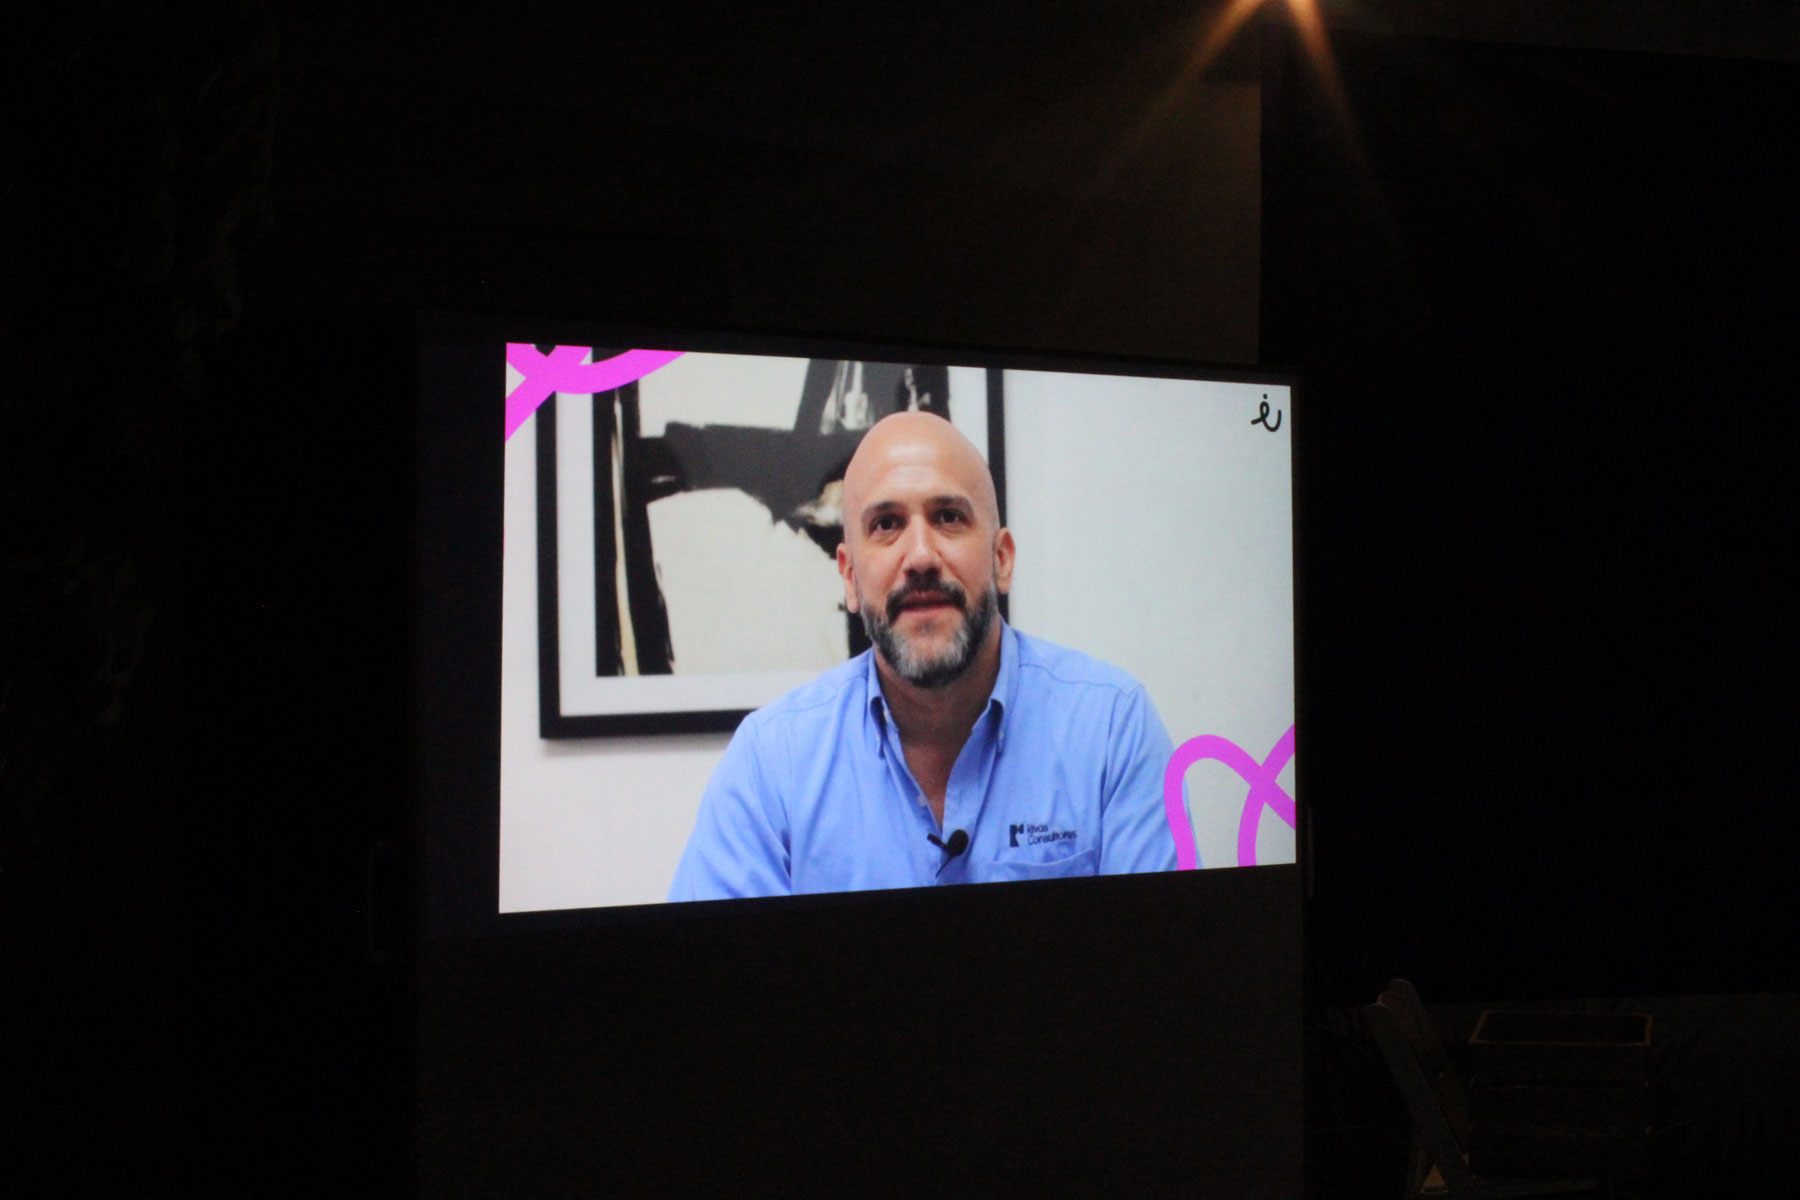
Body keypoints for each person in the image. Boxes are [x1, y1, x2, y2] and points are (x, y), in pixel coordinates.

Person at [667, 411, 1186, 900]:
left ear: (1001, 559)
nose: (919, 557)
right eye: (886, 524)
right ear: (849, 576)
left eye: (948, 517)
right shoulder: (770, 763)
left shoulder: (1111, 729)